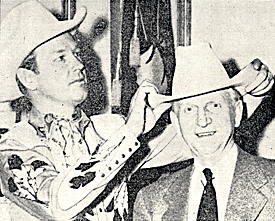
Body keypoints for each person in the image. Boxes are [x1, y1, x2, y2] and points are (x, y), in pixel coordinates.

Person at [0, 1, 180, 220]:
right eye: (61, 57)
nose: (79, 65)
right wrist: (130, 133)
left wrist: (178, 104)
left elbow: (197, 142)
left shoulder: (109, 128)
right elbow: (60, 203)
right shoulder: (12, 148)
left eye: (76, 54)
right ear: (28, 78)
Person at [133, 43, 275, 221]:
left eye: (214, 105)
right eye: (189, 110)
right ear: (176, 123)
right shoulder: (151, 202)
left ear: (237, 113)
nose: (202, 120)